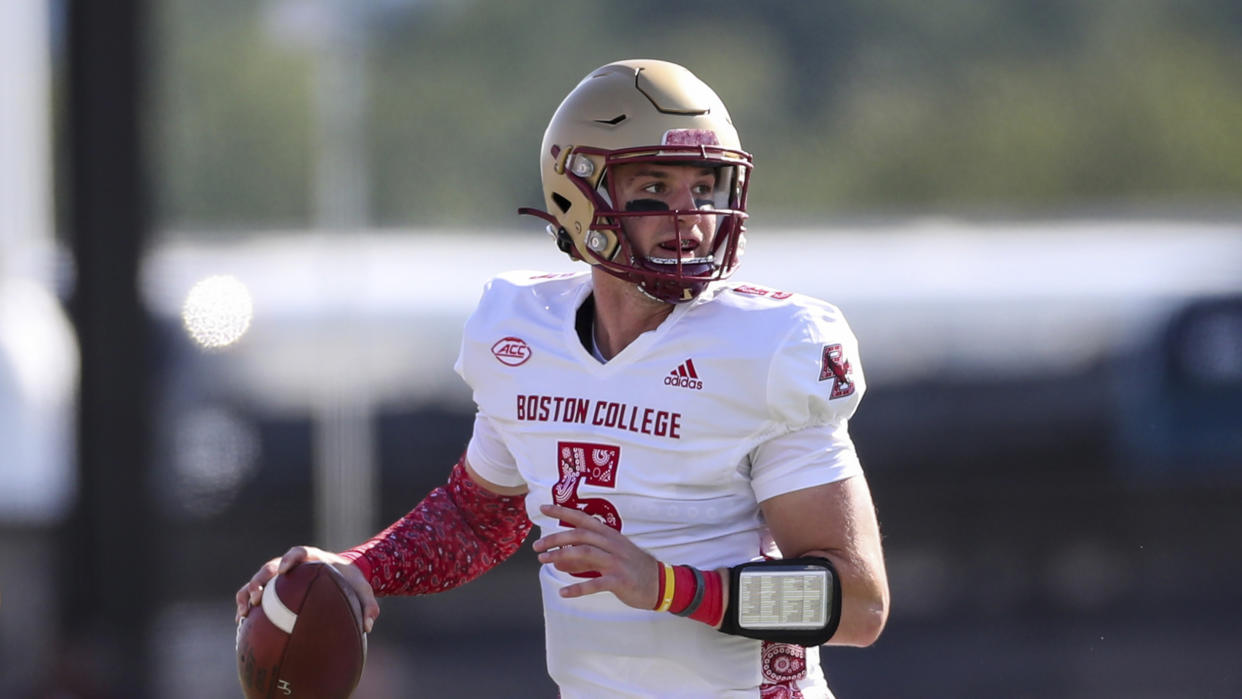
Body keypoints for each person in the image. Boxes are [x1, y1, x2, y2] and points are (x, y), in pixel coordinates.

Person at [236, 58, 889, 698]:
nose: (688, 214)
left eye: (704, 187)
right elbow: (476, 517)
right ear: (577, 194)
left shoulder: (769, 346)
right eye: (654, 188)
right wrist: (357, 568)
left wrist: (668, 584)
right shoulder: (522, 331)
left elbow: (858, 603)